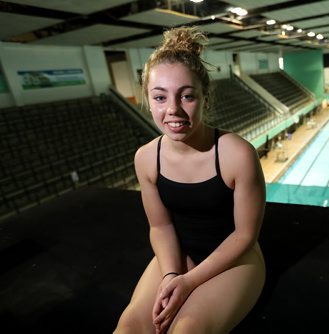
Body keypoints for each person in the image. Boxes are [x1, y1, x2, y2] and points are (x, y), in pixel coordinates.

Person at [114, 26, 266, 334]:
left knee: (187, 330)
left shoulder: (236, 154)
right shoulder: (146, 158)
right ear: (147, 99)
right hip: (177, 258)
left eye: (187, 96)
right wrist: (171, 275)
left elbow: (244, 236)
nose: (173, 109)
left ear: (204, 97)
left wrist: (188, 282)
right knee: (129, 326)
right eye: (160, 97)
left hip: (235, 260)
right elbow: (161, 227)